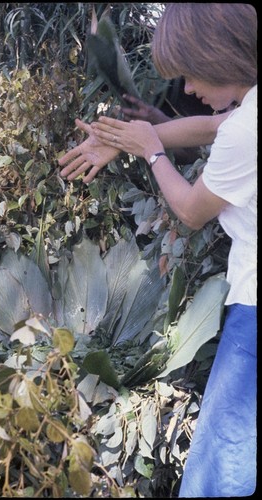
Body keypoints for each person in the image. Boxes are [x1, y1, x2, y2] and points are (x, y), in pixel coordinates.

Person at [59, 3, 257, 497]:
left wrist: (150, 150)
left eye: (190, 74)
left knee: (224, 465)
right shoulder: (251, 113)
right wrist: (130, 138)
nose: (187, 90)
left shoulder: (248, 130)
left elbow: (190, 210)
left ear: (220, 57)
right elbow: (213, 128)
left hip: (255, 310)